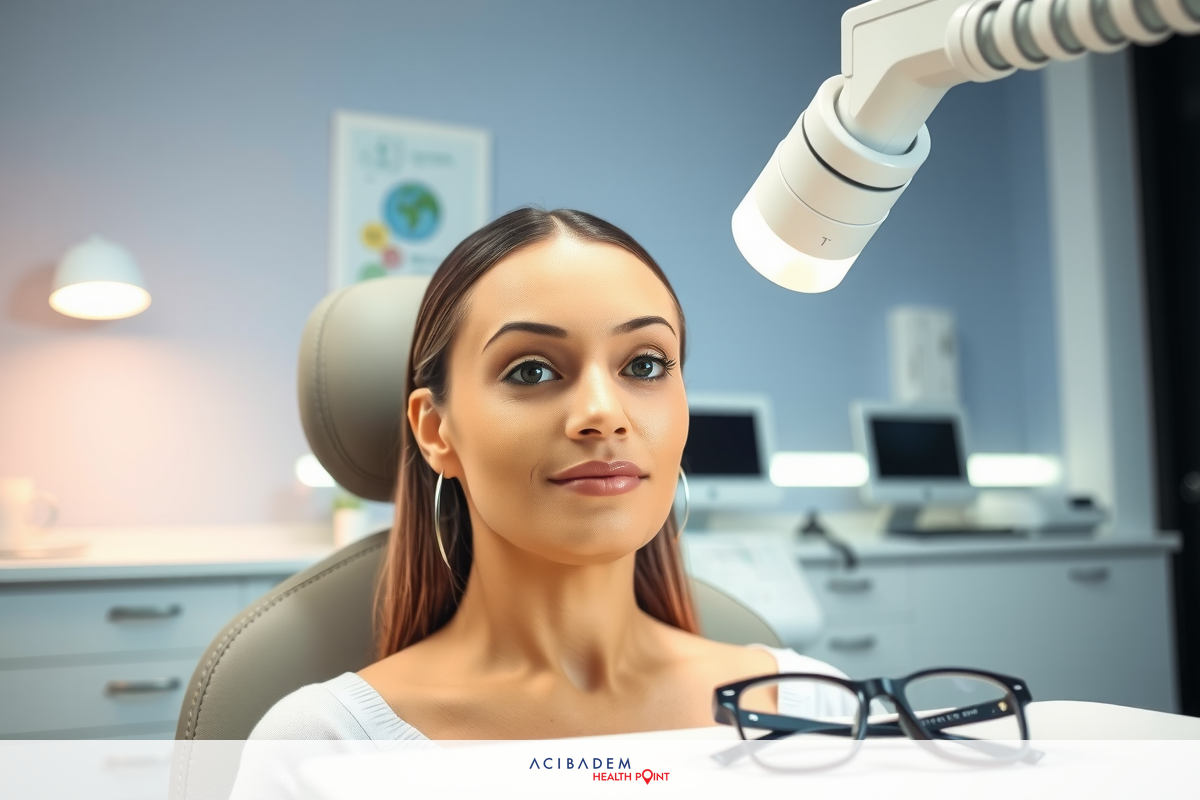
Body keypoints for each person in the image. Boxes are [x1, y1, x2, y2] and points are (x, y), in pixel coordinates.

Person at [246, 208, 846, 743]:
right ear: (435, 431)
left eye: (644, 364)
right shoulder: (323, 746)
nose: (603, 414)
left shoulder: (817, 704)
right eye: (531, 371)